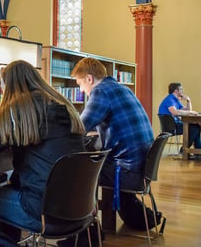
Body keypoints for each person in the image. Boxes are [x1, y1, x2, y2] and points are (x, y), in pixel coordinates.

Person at [0, 60, 86, 244]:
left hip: (43, 211)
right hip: (78, 210)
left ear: (9, 86)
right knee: (7, 192)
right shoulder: (63, 106)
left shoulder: (21, 110)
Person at [63, 57, 154, 246]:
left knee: (81, 172)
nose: (80, 90)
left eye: (79, 84)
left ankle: (83, 229)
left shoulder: (101, 92)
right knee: (92, 160)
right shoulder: (121, 88)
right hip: (142, 169)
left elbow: (80, 127)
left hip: (128, 173)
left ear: (89, 79)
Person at [158, 82, 201, 153]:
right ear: (176, 91)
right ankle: (184, 151)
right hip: (172, 127)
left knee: (196, 126)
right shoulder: (169, 99)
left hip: (176, 124)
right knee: (195, 128)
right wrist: (190, 112)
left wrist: (188, 101)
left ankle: (197, 151)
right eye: (181, 89)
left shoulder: (175, 100)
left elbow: (187, 110)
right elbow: (175, 112)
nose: (182, 91)